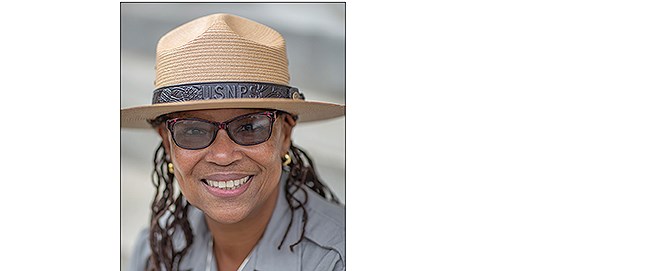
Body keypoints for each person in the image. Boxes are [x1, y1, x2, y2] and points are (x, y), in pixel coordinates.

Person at [121, 13, 345, 271]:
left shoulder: (339, 258)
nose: (223, 155)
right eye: (193, 131)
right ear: (167, 143)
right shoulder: (156, 251)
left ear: (284, 135)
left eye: (249, 127)